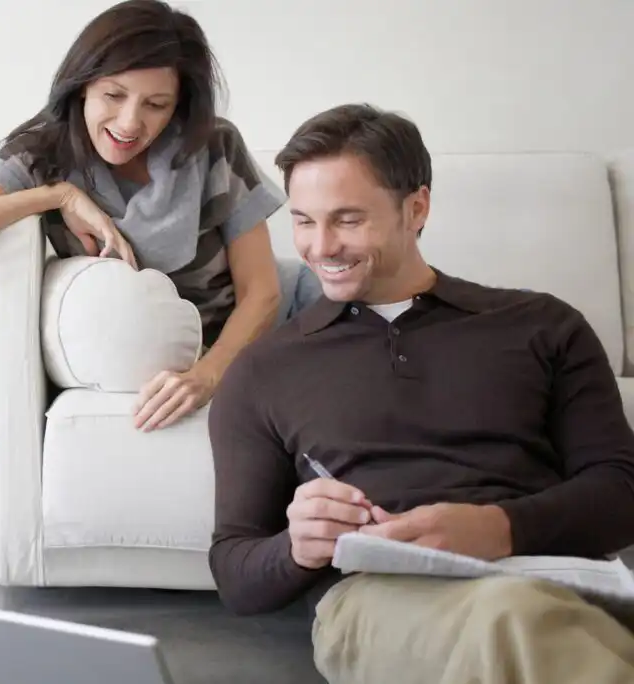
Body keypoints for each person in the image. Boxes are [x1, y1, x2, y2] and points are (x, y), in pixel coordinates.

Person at [206, 102, 634, 683]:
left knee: (533, 620)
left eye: (348, 219)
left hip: (553, 581)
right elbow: (235, 570)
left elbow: (620, 491)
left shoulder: (542, 326)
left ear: (417, 208)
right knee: (511, 621)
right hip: (380, 601)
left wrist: (499, 528)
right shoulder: (263, 370)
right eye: (304, 221)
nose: (320, 246)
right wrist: (297, 546)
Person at [0, 0, 320, 432]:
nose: (130, 122)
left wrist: (207, 376)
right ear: (82, 85)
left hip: (286, 318)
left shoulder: (212, 145)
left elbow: (263, 292)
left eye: (156, 105)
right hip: (167, 345)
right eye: (114, 95)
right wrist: (56, 196)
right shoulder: (43, 154)